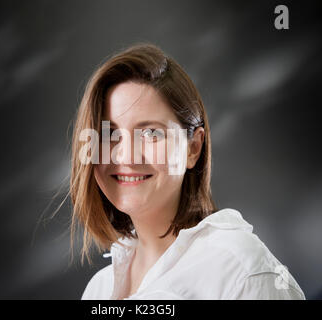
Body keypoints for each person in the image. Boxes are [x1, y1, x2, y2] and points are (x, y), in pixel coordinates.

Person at [69, 43, 305, 299]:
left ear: (193, 147)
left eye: (150, 133)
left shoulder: (244, 274)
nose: (126, 155)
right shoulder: (98, 290)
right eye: (110, 134)